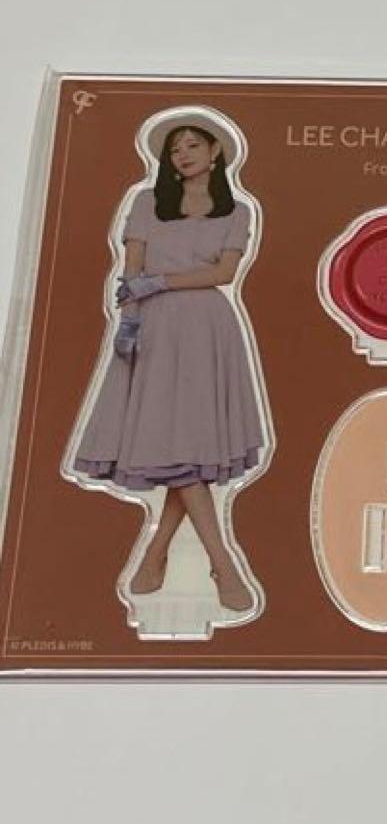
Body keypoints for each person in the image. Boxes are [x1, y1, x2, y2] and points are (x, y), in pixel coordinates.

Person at [70, 112, 268, 612]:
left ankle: (157, 553)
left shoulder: (238, 209)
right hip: (155, 327)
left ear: (215, 151)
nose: (183, 154)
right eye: (175, 148)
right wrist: (129, 322)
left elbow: (223, 273)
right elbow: (131, 271)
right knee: (176, 444)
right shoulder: (146, 202)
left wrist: (161, 282)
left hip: (208, 329)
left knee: (191, 447)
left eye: (193, 145)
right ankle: (222, 563)